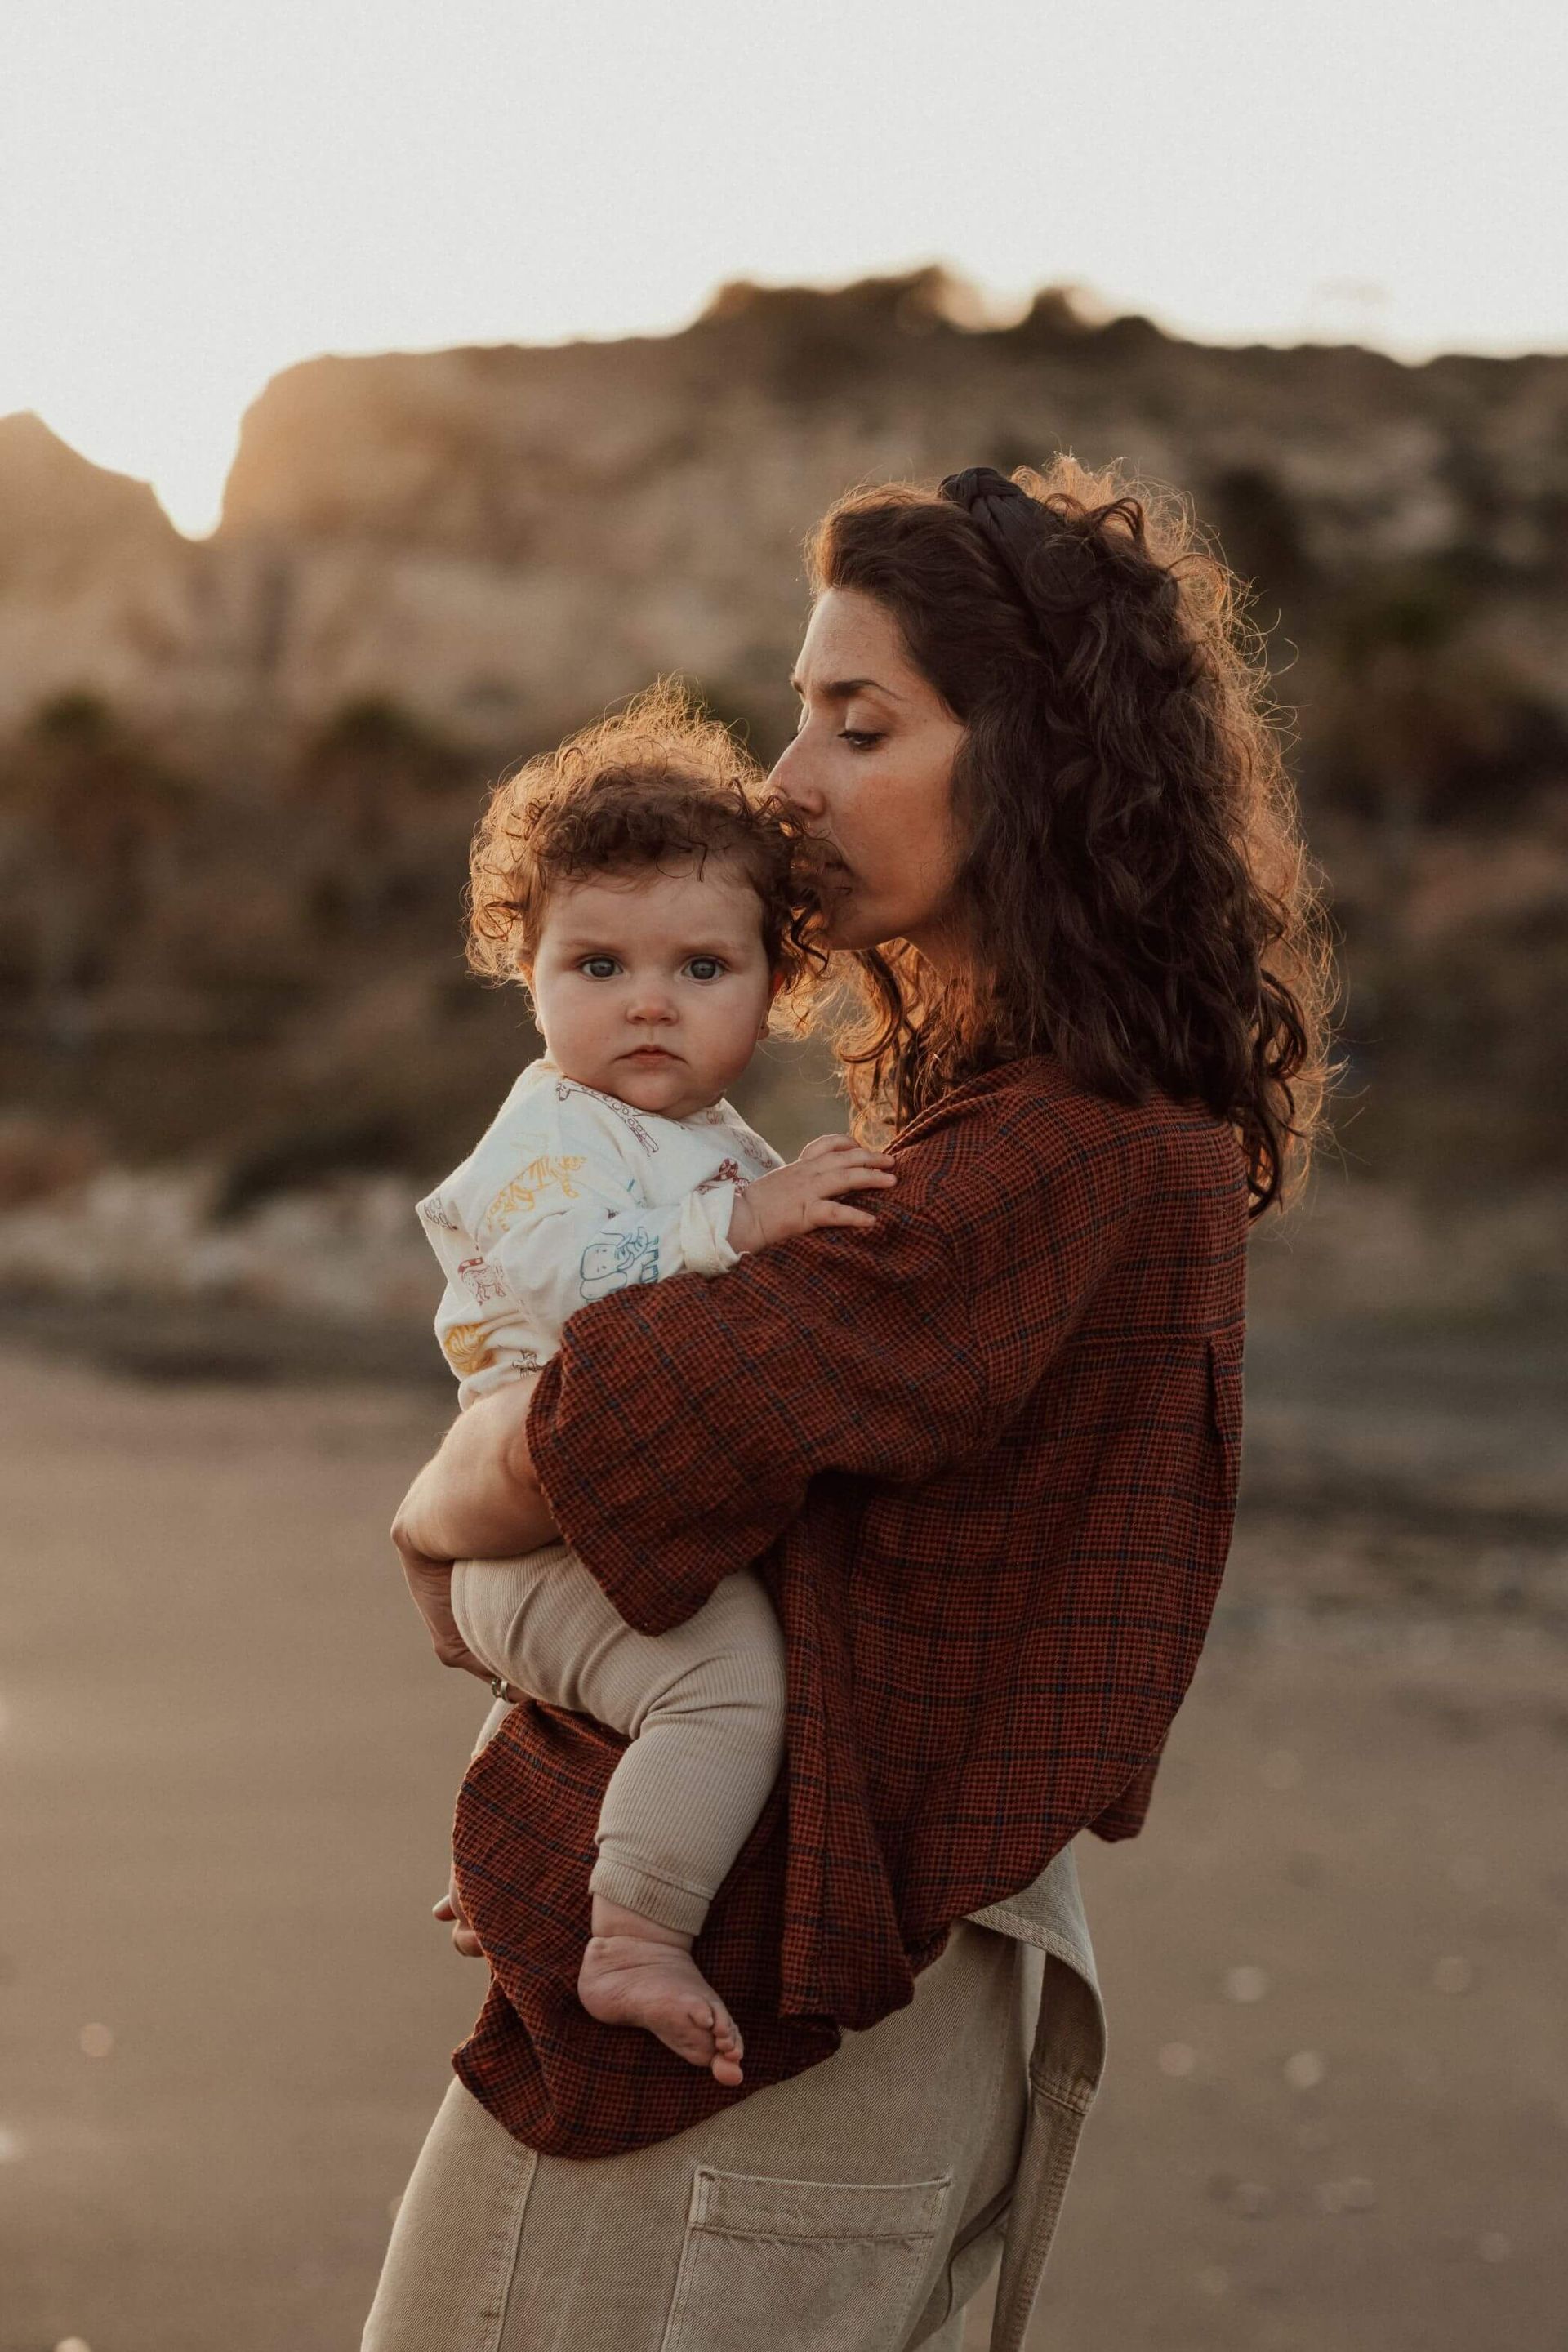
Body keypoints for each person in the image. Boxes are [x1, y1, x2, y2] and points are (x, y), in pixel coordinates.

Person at [368, 459, 1331, 2352]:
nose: (789, 779)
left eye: (859, 722)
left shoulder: (1050, 1160)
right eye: (799, 712)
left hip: (756, 2041)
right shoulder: (1061, 1128)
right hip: (835, 1997)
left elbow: (592, 1441)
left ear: (1035, 759)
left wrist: (434, 1509)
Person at [414, 690, 897, 2084]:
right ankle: (633, 1935)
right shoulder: (550, 1136)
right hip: (536, 1533)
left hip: (599, 1519)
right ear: (527, 972)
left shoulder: (722, 1148)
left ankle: (506, 1859)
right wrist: (739, 1229)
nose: (647, 1000)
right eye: (597, 963)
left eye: (701, 967)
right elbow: (573, 1283)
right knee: (729, 1688)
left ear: (776, 987)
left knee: (631, 1689)